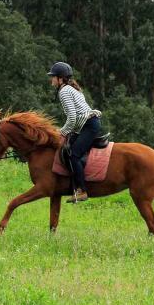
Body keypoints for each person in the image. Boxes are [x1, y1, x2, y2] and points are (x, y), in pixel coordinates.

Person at [48, 62, 102, 202]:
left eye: (53, 77)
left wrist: (62, 132)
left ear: (60, 78)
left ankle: (82, 190)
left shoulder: (64, 91)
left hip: (88, 126)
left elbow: (72, 117)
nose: (51, 79)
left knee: (74, 155)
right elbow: (74, 118)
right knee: (67, 149)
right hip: (84, 125)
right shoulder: (70, 88)